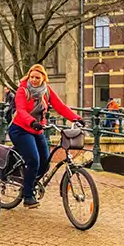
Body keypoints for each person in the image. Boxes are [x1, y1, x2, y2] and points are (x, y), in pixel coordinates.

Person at [8, 64, 81, 209]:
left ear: (43, 79)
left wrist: (76, 118)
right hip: (20, 129)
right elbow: (21, 110)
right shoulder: (22, 90)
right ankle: (28, 196)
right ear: (28, 77)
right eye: (32, 77)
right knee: (34, 160)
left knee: (45, 162)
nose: (34, 80)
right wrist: (32, 122)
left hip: (37, 130)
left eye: (37, 78)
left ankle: (29, 183)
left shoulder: (46, 91)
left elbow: (61, 107)